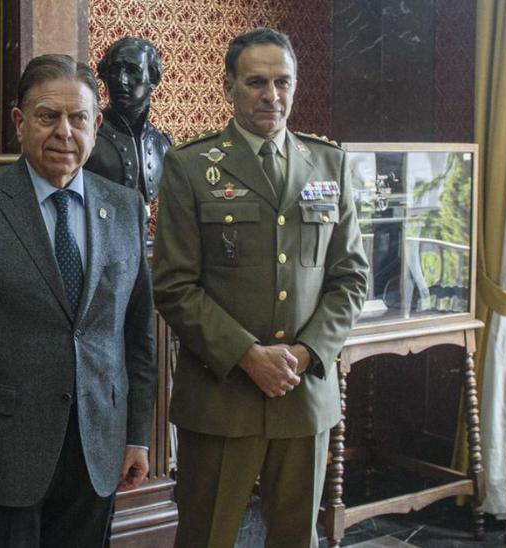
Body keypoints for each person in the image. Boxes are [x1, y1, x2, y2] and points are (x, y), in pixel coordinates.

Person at [0, 54, 157, 547]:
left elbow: (137, 335)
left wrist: (136, 434)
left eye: (78, 118)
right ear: (20, 122)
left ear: (96, 124)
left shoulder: (125, 207)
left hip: (96, 450)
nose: (64, 132)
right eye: (48, 116)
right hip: (1, 455)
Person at [152, 27, 369, 548]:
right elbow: (174, 285)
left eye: (283, 82)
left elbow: (351, 278)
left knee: (297, 539)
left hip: (304, 392)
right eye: (256, 82)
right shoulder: (189, 166)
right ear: (229, 86)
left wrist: (304, 352)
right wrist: (249, 356)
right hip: (222, 394)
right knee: (208, 537)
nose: (272, 95)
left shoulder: (329, 163)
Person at [84, 37, 172, 203]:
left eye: (133, 70)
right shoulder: (86, 137)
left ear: (153, 78)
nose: (121, 80)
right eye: (114, 70)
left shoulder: (164, 145)